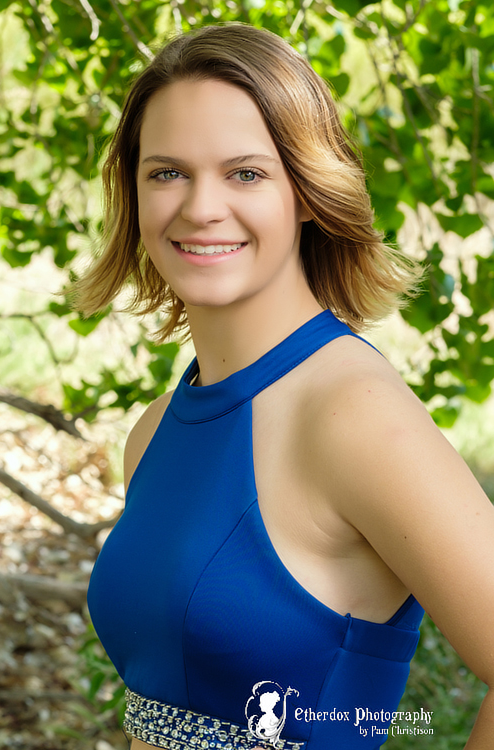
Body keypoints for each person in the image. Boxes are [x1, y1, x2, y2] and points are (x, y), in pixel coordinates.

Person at [75, 23, 494, 750]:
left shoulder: (354, 412)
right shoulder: (154, 430)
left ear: (305, 191)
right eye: (166, 171)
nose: (201, 207)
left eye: (245, 173)